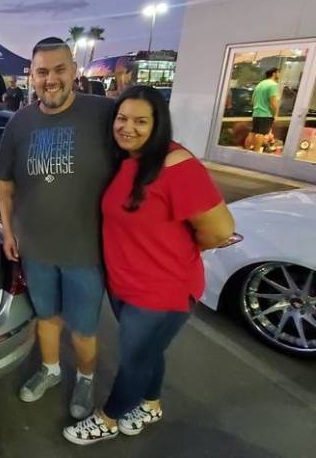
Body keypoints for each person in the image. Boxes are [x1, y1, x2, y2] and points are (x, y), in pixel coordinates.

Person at [62, 86, 235, 445]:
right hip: (126, 285)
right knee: (149, 352)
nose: (128, 127)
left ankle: (108, 419)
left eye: (141, 121)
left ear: (158, 124)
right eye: (122, 119)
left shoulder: (177, 165)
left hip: (162, 289)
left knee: (135, 359)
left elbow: (219, 231)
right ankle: (151, 404)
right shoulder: (128, 161)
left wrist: (176, 254)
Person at [0, 37, 115, 420]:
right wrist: (9, 233)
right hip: (37, 249)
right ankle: (50, 371)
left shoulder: (104, 113)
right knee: (46, 317)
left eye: (59, 69)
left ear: (74, 71)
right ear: (32, 76)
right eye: (42, 71)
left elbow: (145, 147)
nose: (51, 79)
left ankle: (85, 378)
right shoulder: (20, 121)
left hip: (86, 251)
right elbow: (4, 185)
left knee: (82, 327)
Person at [244, 67, 280, 153]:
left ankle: (246, 152)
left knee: (253, 132)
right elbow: (273, 102)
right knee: (261, 133)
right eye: (279, 73)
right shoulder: (273, 85)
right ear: (274, 73)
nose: (279, 75)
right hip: (265, 114)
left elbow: (253, 99)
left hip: (256, 112)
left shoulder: (260, 84)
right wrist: (275, 114)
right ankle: (257, 153)